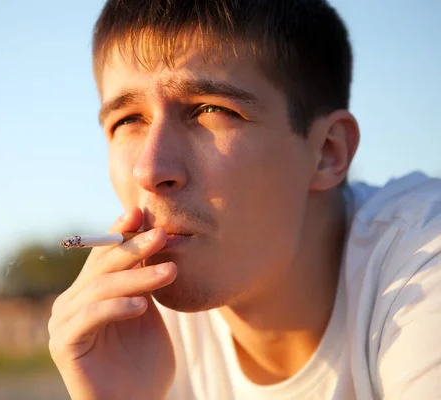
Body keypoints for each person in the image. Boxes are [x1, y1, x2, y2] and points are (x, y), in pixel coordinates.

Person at [48, 0, 441, 398]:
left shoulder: (424, 262)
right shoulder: (134, 336)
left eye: (210, 109)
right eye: (129, 120)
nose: (149, 171)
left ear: (327, 152)